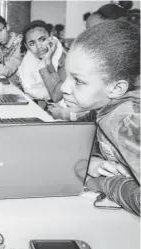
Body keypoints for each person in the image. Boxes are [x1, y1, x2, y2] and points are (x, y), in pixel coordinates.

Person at [60, 20, 140, 216]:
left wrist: (103, 183)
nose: (63, 87)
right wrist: (92, 161)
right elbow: (71, 140)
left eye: (78, 81)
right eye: (66, 76)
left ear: (115, 88)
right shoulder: (103, 107)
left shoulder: (127, 122)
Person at [15, 20, 66, 103]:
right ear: (27, 46)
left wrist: (48, 62)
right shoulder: (29, 58)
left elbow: (57, 96)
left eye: (42, 39)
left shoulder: (61, 58)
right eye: (32, 43)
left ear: (51, 36)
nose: (39, 46)